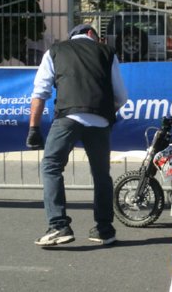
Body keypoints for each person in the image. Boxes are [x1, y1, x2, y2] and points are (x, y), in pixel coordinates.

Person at [26, 24, 128, 246]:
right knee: (102, 174)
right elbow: (121, 96)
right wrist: (104, 113)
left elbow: (40, 91)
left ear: (73, 37)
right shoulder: (107, 52)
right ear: (92, 34)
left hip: (68, 117)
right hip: (100, 120)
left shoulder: (55, 51)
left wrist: (34, 128)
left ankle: (58, 226)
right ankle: (104, 229)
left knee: (52, 166)